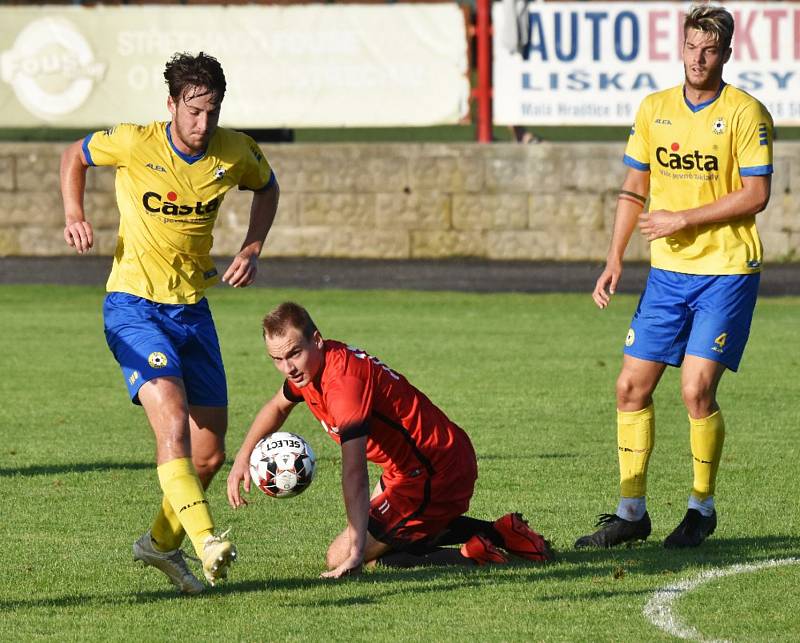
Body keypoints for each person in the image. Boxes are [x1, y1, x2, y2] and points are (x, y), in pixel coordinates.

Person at [60, 52, 280, 593]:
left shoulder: (235, 152)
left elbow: (268, 186)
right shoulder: (136, 143)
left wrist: (251, 248)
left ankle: (158, 546)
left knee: (208, 455)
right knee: (173, 418)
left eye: (212, 112)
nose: (203, 125)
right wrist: (74, 214)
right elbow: (75, 154)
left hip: (193, 311)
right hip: (132, 306)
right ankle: (206, 540)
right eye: (193, 111)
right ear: (172, 105)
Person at [576, 5, 773, 550]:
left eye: (709, 49)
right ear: (680, 47)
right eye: (690, 46)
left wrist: (682, 219)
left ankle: (700, 508)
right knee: (630, 387)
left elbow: (757, 195)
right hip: (667, 276)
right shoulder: (654, 109)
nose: (697, 58)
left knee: (695, 390)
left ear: (726, 54)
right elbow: (634, 188)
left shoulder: (745, 113)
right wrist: (614, 258)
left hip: (726, 271)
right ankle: (630, 511)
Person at [227, 302, 553, 576]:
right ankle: (502, 532)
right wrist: (243, 458)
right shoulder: (311, 367)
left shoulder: (343, 384)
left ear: (317, 339)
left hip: (434, 472)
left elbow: (354, 471)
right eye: (277, 359)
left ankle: (479, 554)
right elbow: (277, 406)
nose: (287, 367)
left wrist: (356, 551)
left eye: (294, 353)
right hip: (413, 466)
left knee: (344, 556)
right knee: (382, 542)